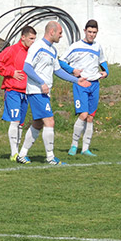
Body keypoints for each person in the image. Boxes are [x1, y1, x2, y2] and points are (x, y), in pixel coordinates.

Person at [17, 21, 91, 165]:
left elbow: (57, 70)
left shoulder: (52, 50)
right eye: (60, 33)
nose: (61, 36)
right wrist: (41, 82)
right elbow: (27, 67)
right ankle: (50, 157)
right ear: (52, 32)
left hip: (44, 92)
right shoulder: (37, 47)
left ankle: (22, 155)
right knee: (50, 121)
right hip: (36, 91)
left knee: (38, 123)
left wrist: (76, 80)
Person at [60, 19, 109, 157]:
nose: (92, 35)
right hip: (81, 83)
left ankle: (85, 148)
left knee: (90, 117)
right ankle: (74, 145)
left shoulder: (98, 47)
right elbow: (61, 61)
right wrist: (73, 70)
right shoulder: (75, 46)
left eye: (94, 32)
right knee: (83, 114)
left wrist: (106, 71)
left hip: (94, 84)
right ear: (84, 31)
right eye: (89, 32)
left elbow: (102, 61)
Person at [0, 25, 37, 160]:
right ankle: (14, 153)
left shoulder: (32, 52)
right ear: (23, 37)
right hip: (13, 91)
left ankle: (17, 151)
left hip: (26, 92)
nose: (33, 41)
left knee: (21, 123)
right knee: (15, 121)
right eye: (31, 38)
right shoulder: (12, 50)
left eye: (35, 39)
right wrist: (11, 72)